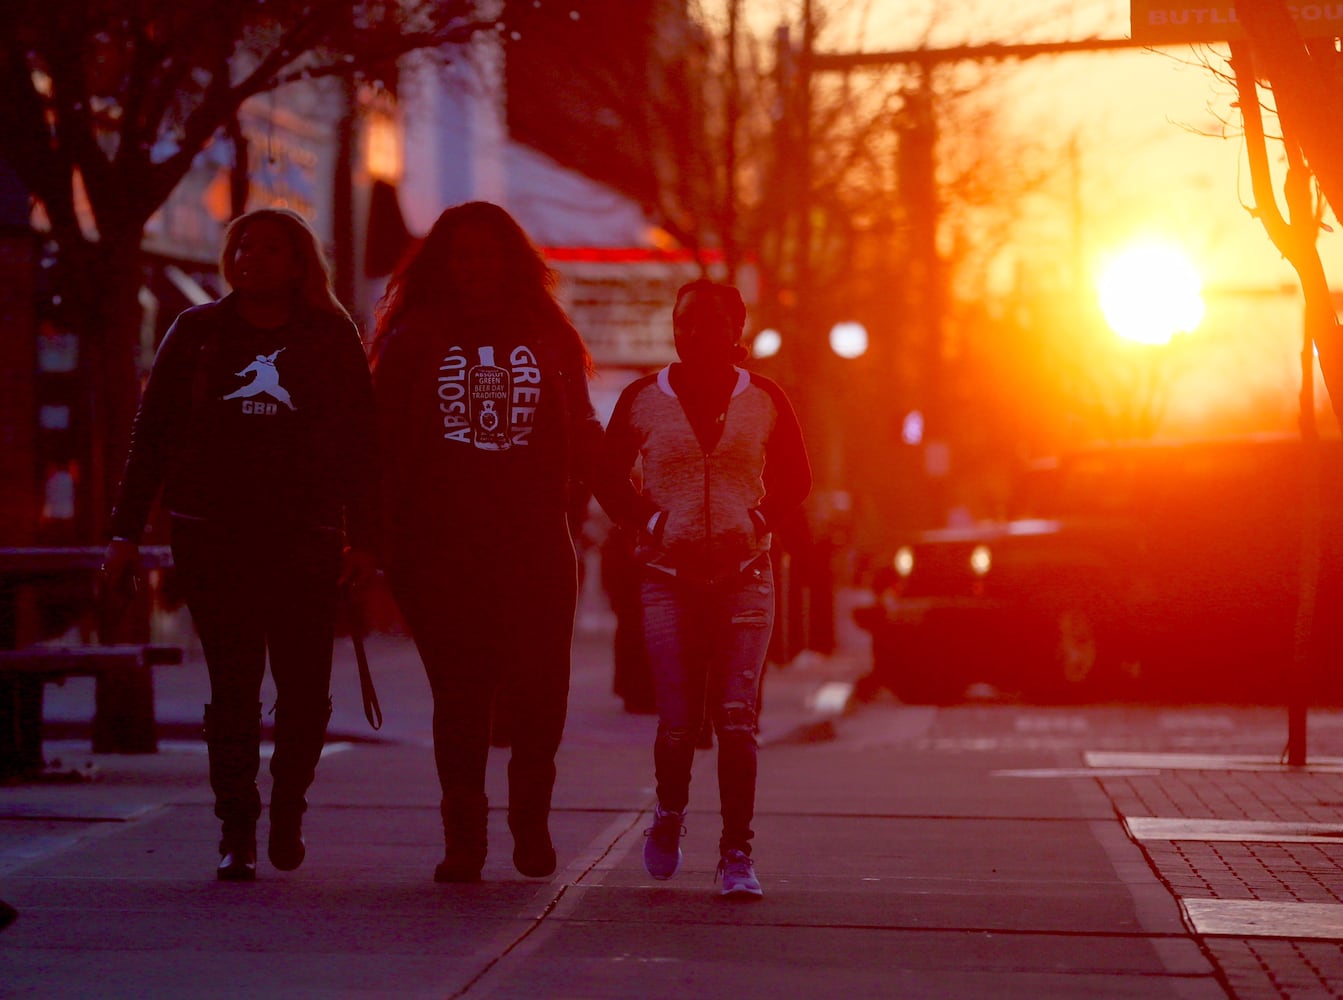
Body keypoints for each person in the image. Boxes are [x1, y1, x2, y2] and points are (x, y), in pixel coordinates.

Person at [102, 208, 379, 882]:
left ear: (297, 262)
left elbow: (363, 447)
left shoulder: (328, 336)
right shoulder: (197, 332)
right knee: (232, 688)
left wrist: (367, 538)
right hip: (212, 536)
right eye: (243, 245)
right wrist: (124, 535)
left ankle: (288, 807)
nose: (252, 256)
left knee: (305, 688)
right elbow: (151, 438)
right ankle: (237, 828)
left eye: (270, 247)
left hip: (305, 538)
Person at [369, 201, 603, 883]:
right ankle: (463, 838)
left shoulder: (548, 334)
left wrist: (624, 511)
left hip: (536, 541)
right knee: (461, 695)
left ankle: (530, 824)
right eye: (461, 255)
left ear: (510, 260)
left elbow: (581, 430)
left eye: (486, 253)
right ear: (444, 264)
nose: (474, 267)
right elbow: (379, 447)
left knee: (541, 692)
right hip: (441, 548)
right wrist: (375, 542)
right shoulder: (413, 338)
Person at [599, 278, 811, 899]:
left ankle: (736, 854)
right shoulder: (644, 397)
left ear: (735, 331)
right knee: (677, 722)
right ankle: (669, 815)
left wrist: (760, 520)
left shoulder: (765, 398)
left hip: (745, 575)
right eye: (684, 321)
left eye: (710, 323)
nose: (694, 334)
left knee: (739, 721)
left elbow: (798, 478)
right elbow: (608, 478)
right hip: (669, 579)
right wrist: (653, 520)